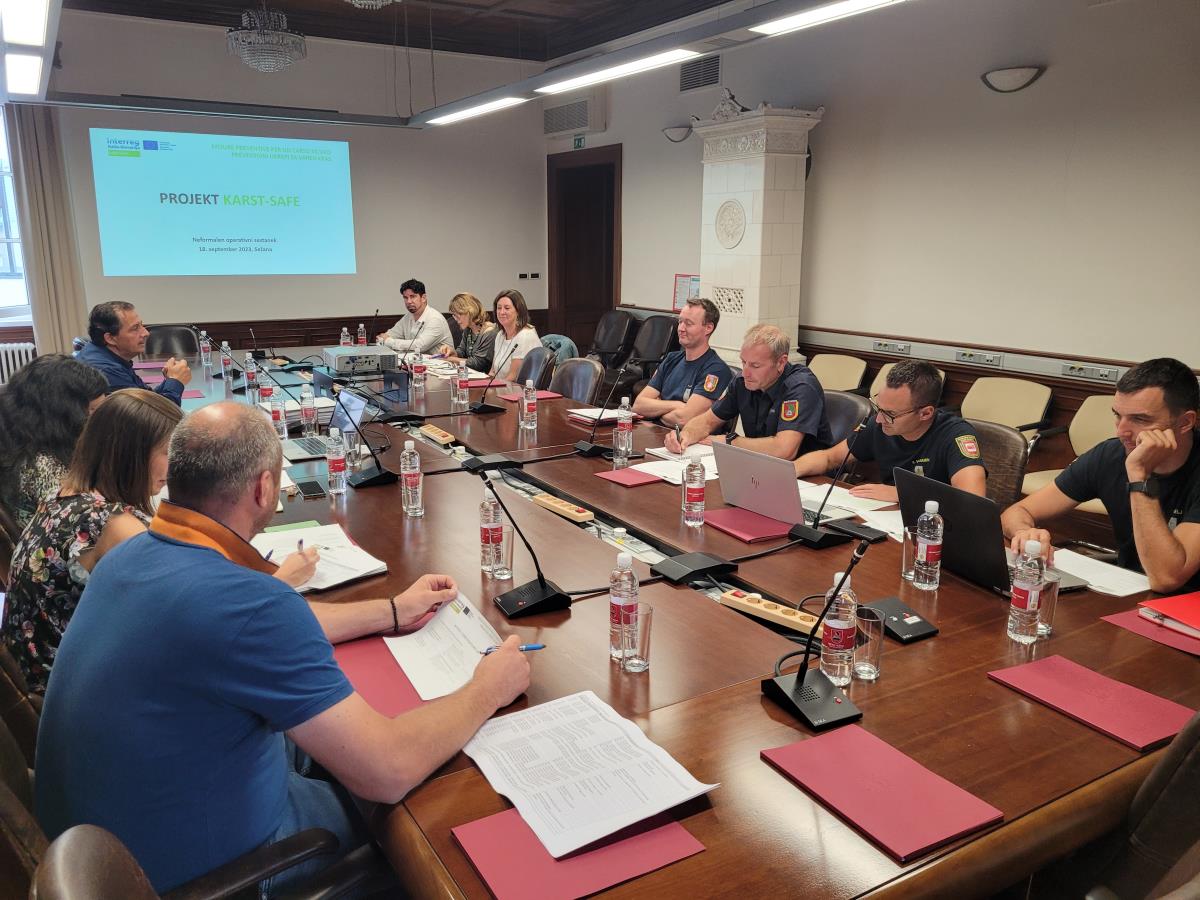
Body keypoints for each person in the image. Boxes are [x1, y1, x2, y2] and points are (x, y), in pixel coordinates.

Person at [35, 401, 531, 894]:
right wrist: (487, 688)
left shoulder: (129, 555)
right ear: (264, 488)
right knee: (418, 832)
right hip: (205, 873)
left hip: (101, 851)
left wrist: (392, 610)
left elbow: (260, 624)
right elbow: (388, 769)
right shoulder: (248, 605)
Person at [2, 390, 182, 692]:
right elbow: (177, 616)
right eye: (168, 452)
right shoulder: (115, 525)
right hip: (69, 692)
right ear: (130, 453)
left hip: (38, 675)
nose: (175, 464)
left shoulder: (67, 495)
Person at [1002, 357, 1200, 593]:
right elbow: (1016, 512)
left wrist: (1139, 476)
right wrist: (1025, 532)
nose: (1121, 431)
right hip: (1130, 589)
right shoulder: (1110, 455)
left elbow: (1166, 578)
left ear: (1185, 422)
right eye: (1118, 415)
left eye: (1139, 419)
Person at [793, 360, 987, 502]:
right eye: (878, 408)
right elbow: (829, 458)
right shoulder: (880, 424)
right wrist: (789, 471)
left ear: (926, 413)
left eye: (890, 414)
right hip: (890, 518)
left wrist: (903, 493)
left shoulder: (956, 435)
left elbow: (972, 499)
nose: (879, 419)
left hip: (937, 528)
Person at [665, 324, 831, 461]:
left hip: (809, 478)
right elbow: (708, 421)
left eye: (755, 366)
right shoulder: (742, 382)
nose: (745, 373)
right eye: (744, 362)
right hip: (761, 465)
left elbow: (784, 450)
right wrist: (685, 436)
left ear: (781, 362)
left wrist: (731, 441)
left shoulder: (801, 387)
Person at [0, 355, 108, 529]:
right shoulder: (43, 468)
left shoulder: (19, 437)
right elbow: (85, 524)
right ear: (63, 415)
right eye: (92, 411)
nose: (100, 420)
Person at [632, 298, 732, 427]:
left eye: (688, 324)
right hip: (656, 432)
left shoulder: (715, 370)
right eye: (680, 322)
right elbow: (638, 405)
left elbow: (683, 419)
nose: (681, 328)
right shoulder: (671, 359)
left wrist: (656, 409)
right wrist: (677, 405)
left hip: (685, 438)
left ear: (708, 328)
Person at [77, 301, 191, 406]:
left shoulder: (106, 356)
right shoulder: (105, 371)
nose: (146, 333)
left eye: (141, 325)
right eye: (135, 328)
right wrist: (175, 381)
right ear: (110, 338)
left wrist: (170, 381)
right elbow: (156, 416)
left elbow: (147, 398)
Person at [376, 277, 452, 355]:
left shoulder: (435, 319)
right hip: (417, 361)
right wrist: (383, 339)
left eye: (412, 296)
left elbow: (420, 346)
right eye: (405, 298)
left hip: (441, 362)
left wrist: (389, 342)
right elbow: (388, 335)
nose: (408, 301)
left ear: (423, 298)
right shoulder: (408, 317)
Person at [436, 292, 497, 372]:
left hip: (485, 377)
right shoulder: (468, 329)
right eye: (454, 315)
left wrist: (450, 359)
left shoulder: (489, 332)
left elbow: (478, 364)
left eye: (458, 314)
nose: (455, 319)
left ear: (470, 311)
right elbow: (461, 352)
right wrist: (451, 351)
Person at [490, 289, 540, 382]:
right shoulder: (500, 335)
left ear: (518, 311)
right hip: (500, 386)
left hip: (517, 388)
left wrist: (492, 388)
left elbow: (513, 377)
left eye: (507, 308)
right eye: (499, 308)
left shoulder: (525, 336)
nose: (501, 312)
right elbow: (493, 371)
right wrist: (485, 385)